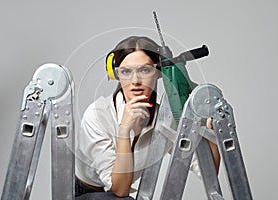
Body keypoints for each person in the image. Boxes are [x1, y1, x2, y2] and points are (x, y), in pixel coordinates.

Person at [75, 36, 220, 199]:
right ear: (116, 75)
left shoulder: (166, 119)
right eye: (126, 71)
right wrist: (124, 131)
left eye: (144, 70)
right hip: (88, 193)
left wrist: (209, 134)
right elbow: (120, 190)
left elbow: (208, 173)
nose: (135, 80)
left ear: (158, 73)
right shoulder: (97, 115)